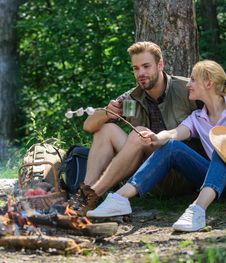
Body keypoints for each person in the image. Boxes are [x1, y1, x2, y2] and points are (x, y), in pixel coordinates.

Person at [86, 60, 226, 232]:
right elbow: (174, 133)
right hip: (223, 188)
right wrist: (157, 137)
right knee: (172, 146)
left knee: (222, 147)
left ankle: (197, 210)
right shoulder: (197, 118)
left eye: (192, 79)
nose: (187, 84)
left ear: (208, 83)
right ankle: (120, 198)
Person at [68, 41, 204, 216]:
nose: (141, 73)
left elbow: (221, 108)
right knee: (105, 130)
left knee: (139, 132)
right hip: (150, 177)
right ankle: (84, 195)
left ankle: (95, 194)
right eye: (136, 68)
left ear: (160, 64)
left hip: (185, 173)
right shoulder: (132, 99)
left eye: (146, 66)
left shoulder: (185, 89)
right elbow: (88, 126)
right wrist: (107, 113)